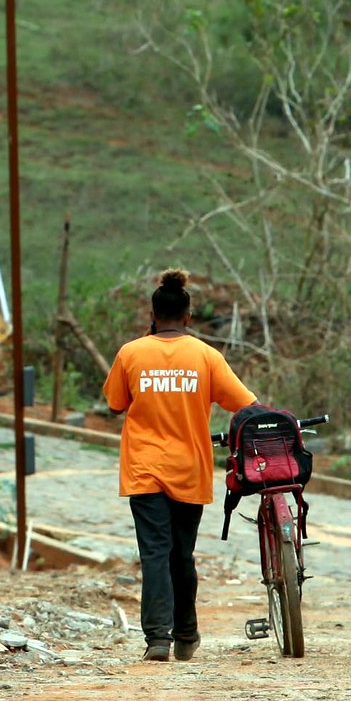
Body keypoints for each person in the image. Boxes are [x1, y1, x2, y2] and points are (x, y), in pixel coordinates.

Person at [103, 269, 256, 662]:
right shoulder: (206, 356)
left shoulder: (131, 353)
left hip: (144, 469)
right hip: (190, 468)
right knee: (181, 554)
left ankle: (158, 639)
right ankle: (186, 631)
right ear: (188, 316)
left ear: (152, 315)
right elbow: (245, 404)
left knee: (155, 553)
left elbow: (115, 404)